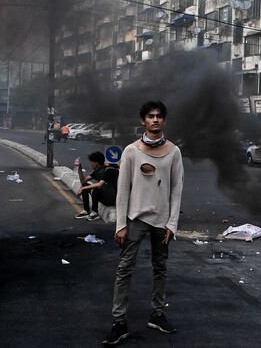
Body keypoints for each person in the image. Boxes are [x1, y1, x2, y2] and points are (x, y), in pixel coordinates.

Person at [103, 101, 184, 346]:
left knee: (160, 268)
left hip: (162, 221)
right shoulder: (131, 151)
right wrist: (120, 224)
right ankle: (119, 322)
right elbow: (122, 189)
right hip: (135, 219)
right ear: (143, 121)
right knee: (124, 269)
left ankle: (157, 315)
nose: (155, 120)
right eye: (151, 116)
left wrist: (172, 224)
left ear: (164, 120)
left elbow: (177, 189)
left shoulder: (174, 151)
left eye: (159, 116)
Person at [75, 151, 118, 221]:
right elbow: (83, 180)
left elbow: (100, 184)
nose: (91, 164)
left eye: (92, 162)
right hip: (105, 195)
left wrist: (82, 188)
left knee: (96, 190)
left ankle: (95, 212)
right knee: (85, 185)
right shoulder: (97, 171)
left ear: (97, 162)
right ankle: (86, 210)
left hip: (111, 198)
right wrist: (79, 169)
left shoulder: (109, 170)